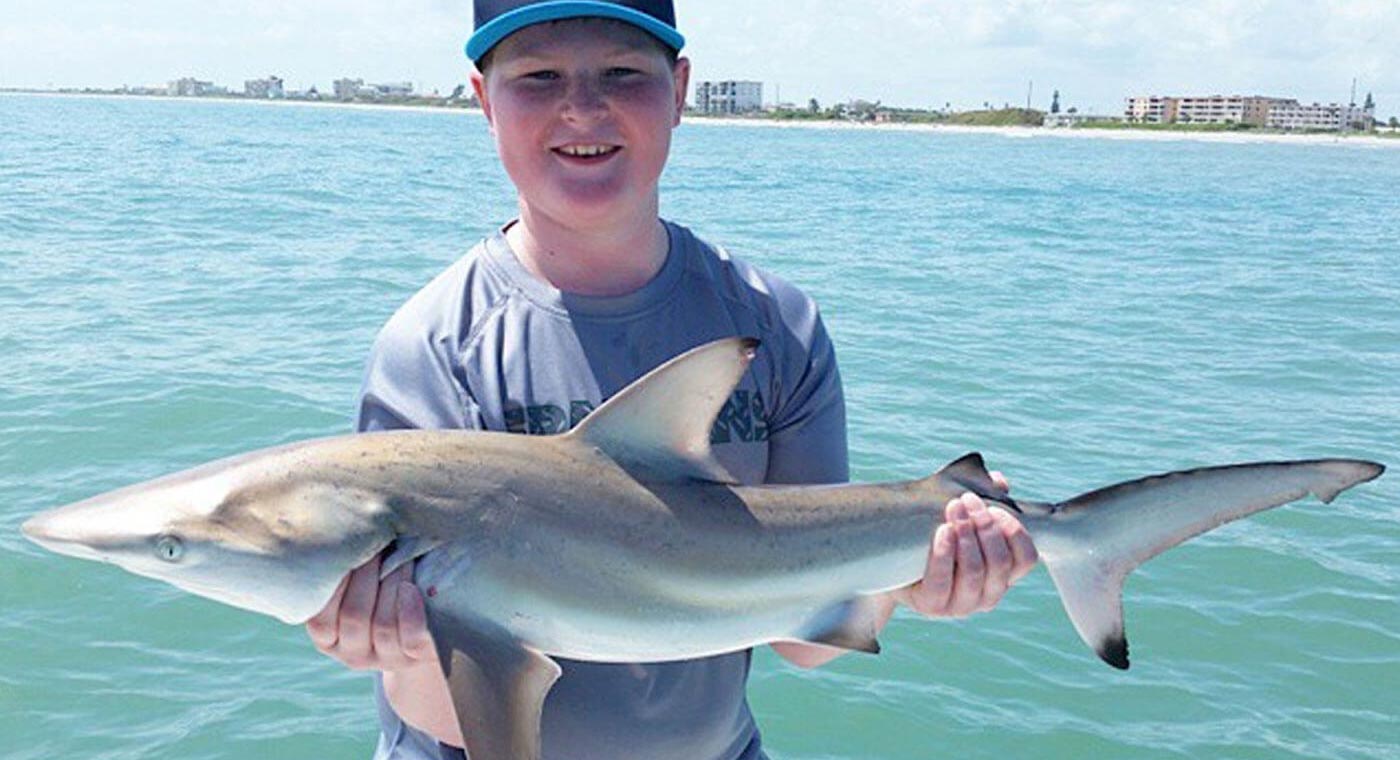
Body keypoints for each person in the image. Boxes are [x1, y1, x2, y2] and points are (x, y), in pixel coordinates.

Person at [304, 2, 1039, 758]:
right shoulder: (435, 347)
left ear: (681, 89)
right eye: (538, 76)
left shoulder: (775, 325)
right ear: (484, 100)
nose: (582, 108)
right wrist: (398, 641)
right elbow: (438, 713)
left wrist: (922, 575)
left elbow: (810, 640)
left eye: (622, 72)